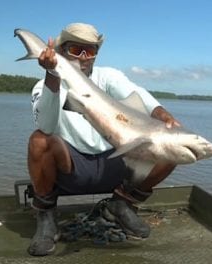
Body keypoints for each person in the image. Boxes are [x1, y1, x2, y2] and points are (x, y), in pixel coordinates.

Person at [27, 22, 181, 256]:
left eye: (90, 50)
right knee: (39, 140)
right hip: (72, 168)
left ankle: (121, 204)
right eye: (76, 50)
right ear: (60, 51)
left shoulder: (108, 77)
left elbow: (138, 94)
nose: (84, 57)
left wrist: (161, 114)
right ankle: (46, 216)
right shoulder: (44, 85)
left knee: (172, 147)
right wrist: (52, 75)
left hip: (115, 164)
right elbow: (46, 126)